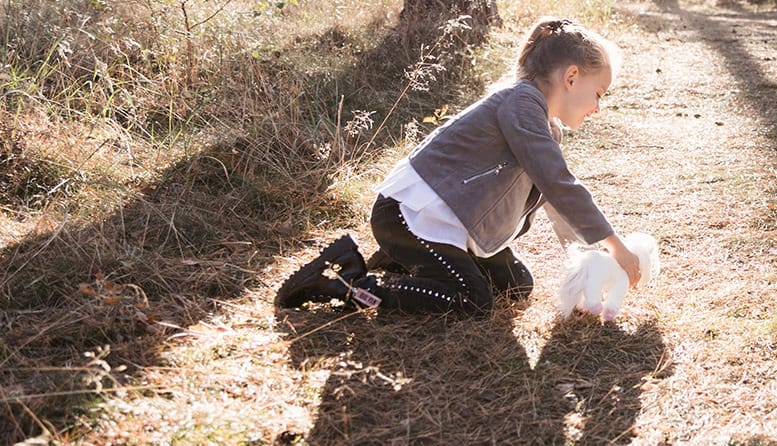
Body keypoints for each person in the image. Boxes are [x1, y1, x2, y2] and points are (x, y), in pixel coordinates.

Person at [275, 17, 642, 317]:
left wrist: (585, 260)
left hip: (449, 224)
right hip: (411, 215)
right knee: (470, 298)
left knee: (516, 287)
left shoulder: (544, 125)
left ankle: (402, 264)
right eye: (599, 93)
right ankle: (349, 284)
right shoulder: (521, 104)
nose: (598, 107)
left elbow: (554, 198)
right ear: (572, 77)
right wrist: (615, 246)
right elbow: (561, 184)